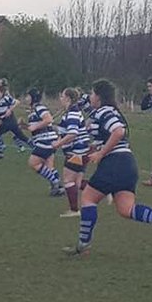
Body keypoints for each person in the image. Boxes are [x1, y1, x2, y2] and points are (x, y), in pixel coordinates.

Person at [64, 79, 152, 257]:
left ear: (99, 96)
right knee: (126, 209)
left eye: (93, 93)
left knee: (88, 198)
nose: (91, 97)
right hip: (127, 164)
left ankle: (83, 245)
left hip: (114, 163)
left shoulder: (105, 112)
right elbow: (105, 137)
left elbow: (118, 132)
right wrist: (90, 152)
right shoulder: (104, 112)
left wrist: (102, 153)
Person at [52, 88, 91, 218]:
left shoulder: (72, 113)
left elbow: (72, 134)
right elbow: (67, 130)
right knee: (78, 183)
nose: (60, 98)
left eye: (62, 96)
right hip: (82, 152)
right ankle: (105, 189)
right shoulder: (72, 112)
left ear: (68, 98)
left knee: (68, 180)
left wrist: (57, 144)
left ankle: (74, 210)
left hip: (76, 153)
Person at [25, 89, 64, 196]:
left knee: (33, 163)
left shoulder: (39, 108)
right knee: (49, 167)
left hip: (46, 141)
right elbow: (36, 127)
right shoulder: (33, 110)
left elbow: (48, 120)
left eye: (28, 96)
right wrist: (24, 125)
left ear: (33, 98)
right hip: (47, 140)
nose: (26, 98)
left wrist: (35, 126)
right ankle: (59, 188)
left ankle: (55, 182)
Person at [0, 78, 30, 159]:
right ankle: (31, 147)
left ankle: (2, 150)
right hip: (6, 120)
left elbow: (17, 102)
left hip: (9, 120)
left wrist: (9, 110)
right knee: (20, 136)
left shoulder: (6, 96)